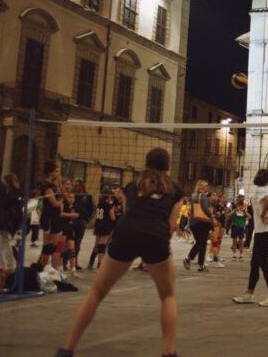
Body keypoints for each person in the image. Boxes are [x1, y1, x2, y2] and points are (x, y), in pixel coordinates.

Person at [56, 148, 184, 357]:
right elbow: (171, 225)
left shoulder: (133, 186)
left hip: (126, 233)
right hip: (156, 236)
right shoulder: (176, 190)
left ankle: (66, 349)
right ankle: (168, 352)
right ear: (168, 166)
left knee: (97, 292)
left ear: (147, 163)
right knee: (168, 296)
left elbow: (127, 213)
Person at [232, 169, 268, 307]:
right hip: (264, 230)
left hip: (264, 231)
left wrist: (264, 214)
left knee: (262, 262)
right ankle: (249, 293)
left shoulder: (262, 190)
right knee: (255, 263)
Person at [37, 160, 64, 270]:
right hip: (50, 218)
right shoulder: (46, 186)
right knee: (50, 245)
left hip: (58, 218)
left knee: (58, 244)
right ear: (50, 173)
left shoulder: (55, 184)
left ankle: (54, 267)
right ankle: (42, 267)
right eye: (56, 171)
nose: (58, 173)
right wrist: (62, 199)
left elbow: (64, 197)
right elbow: (55, 204)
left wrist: (60, 184)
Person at [184, 181, 214, 272]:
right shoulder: (203, 196)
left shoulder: (193, 196)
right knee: (202, 243)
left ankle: (200, 265)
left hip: (194, 222)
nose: (207, 187)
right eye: (206, 186)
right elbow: (205, 209)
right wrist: (212, 216)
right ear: (203, 187)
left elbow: (192, 210)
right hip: (202, 222)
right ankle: (189, 259)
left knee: (200, 243)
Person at [88, 187, 116, 270]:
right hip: (105, 226)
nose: (111, 197)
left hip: (98, 225)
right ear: (109, 196)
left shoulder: (99, 204)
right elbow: (113, 218)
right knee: (102, 245)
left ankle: (91, 262)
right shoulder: (108, 205)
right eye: (111, 195)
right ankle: (100, 263)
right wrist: (113, 210)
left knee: (97, 245)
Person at [71, 179, 94, 271]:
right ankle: (63, 262)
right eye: (74, 185)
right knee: (68, 243)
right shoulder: (71, 195)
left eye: (77, 185)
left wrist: (87, 220)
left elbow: (92, 209)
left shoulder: (88, 196)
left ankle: (75, 262)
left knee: (77, 244)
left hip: (81, 222)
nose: (75, 187)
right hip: (70, 222)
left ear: (81, 185)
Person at [230, 196, 248, 261]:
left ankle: (241, 255)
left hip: (241, 227)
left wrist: (244, 212)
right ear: (237, 205)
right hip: (234, 226)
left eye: (241, 206)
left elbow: (250, 217)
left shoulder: (244, 211)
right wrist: (234, 210)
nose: (240, 207)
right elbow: (229, 216)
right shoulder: (235, 210)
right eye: (239, 205)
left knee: (241, 242)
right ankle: (234, 255)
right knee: (234, 241)